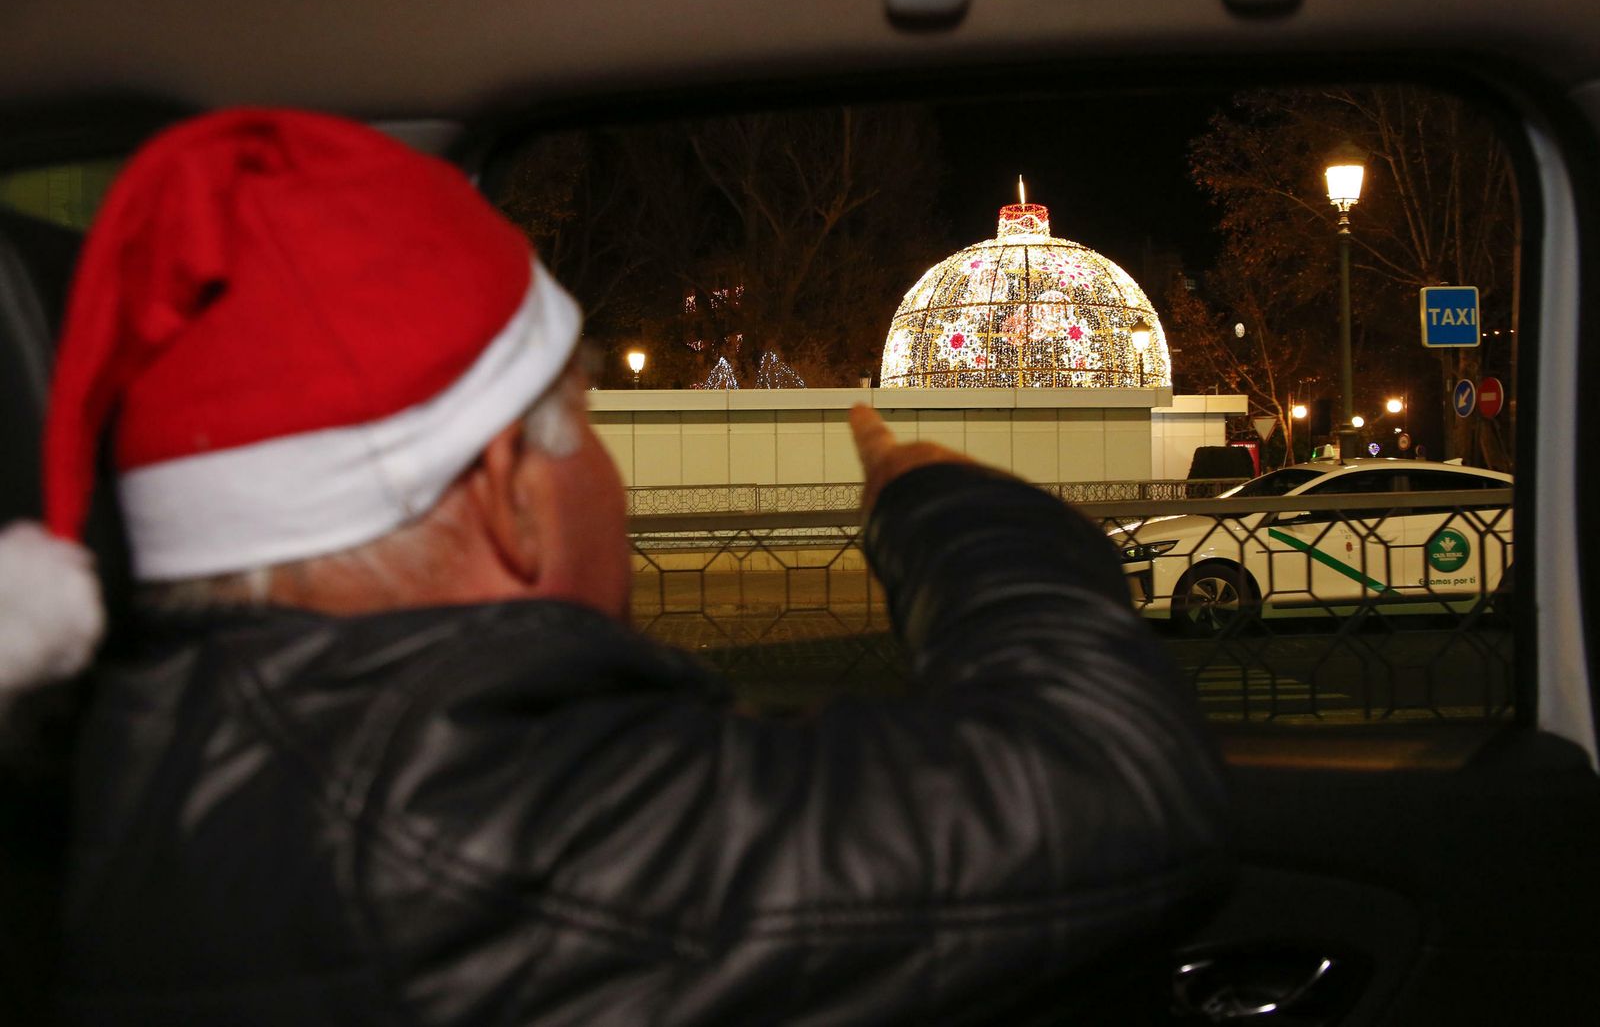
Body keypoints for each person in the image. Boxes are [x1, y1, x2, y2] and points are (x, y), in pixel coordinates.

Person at [15, 110, 1228, 1024]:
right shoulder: (471, 830)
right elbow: (1116, 777)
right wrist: (940, 501)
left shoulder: (156, 755)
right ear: (505, 491)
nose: (609, 462)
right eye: (586, 417)